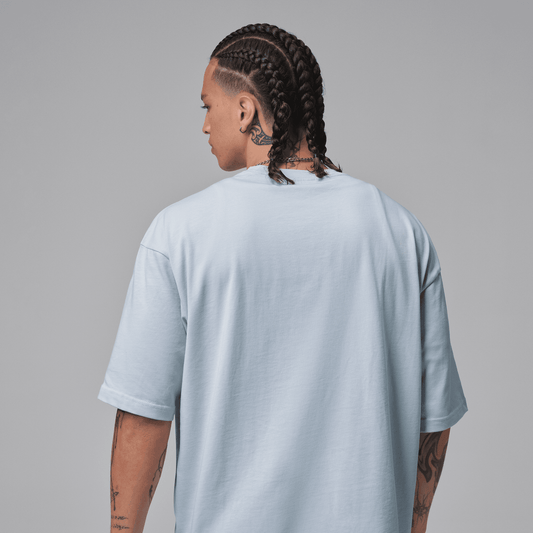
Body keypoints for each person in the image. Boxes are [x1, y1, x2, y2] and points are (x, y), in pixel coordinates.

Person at [97, 23, 468, 533]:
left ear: (244, 110)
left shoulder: (180, 233)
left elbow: (142, 418)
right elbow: (434, 421)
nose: (204, 125)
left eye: (207, 106)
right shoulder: (400, 232)